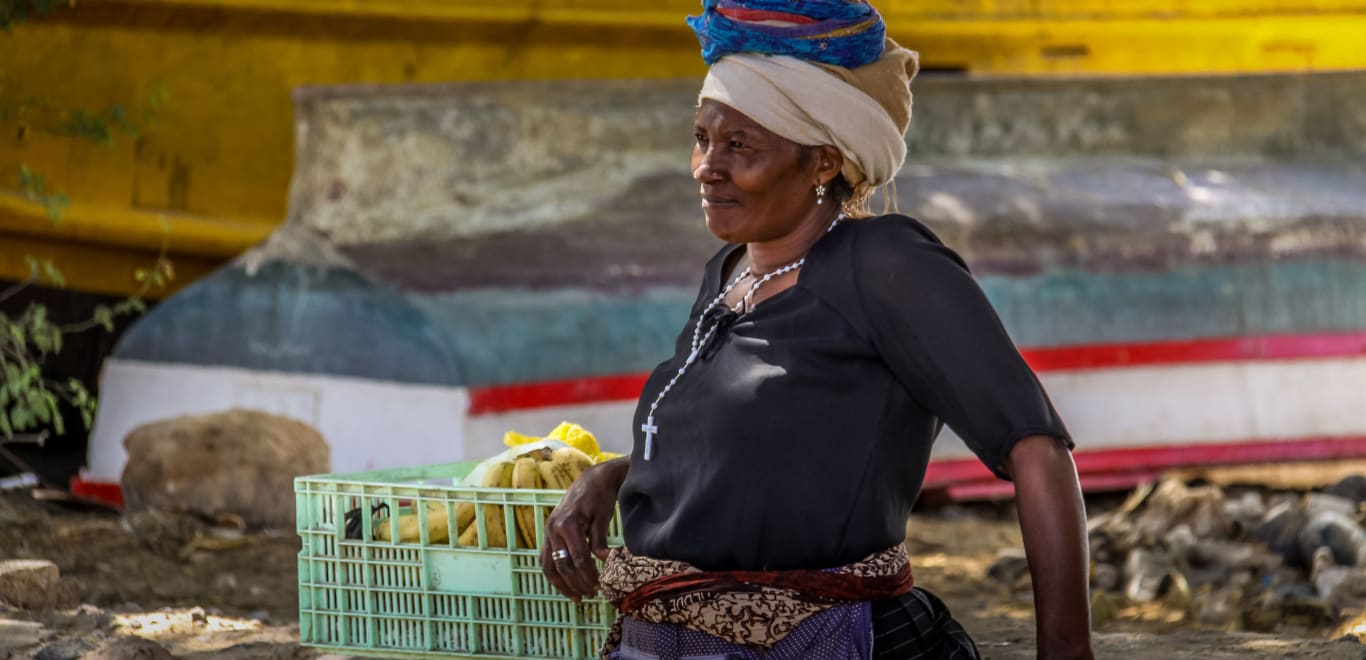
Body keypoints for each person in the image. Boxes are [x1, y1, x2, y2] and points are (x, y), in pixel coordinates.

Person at [541, 1, 1095, 658]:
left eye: (740, 146)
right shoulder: (729, 272)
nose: (706, 167)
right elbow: (753, 452)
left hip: (823, 641)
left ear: (824, 162)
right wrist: (607, 480)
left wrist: (1066, 652)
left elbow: (1036, 450)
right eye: (701, 138)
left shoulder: (886, 265)